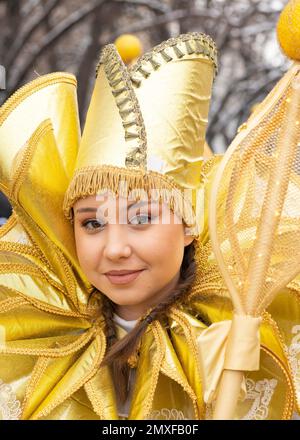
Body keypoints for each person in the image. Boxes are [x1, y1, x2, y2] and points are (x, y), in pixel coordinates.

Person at [0, 12, 299, 420]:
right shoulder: (38, 334)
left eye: (141, 218)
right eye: (92, 223)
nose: (116, 248)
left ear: (189, 224)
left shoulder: (232, 340)